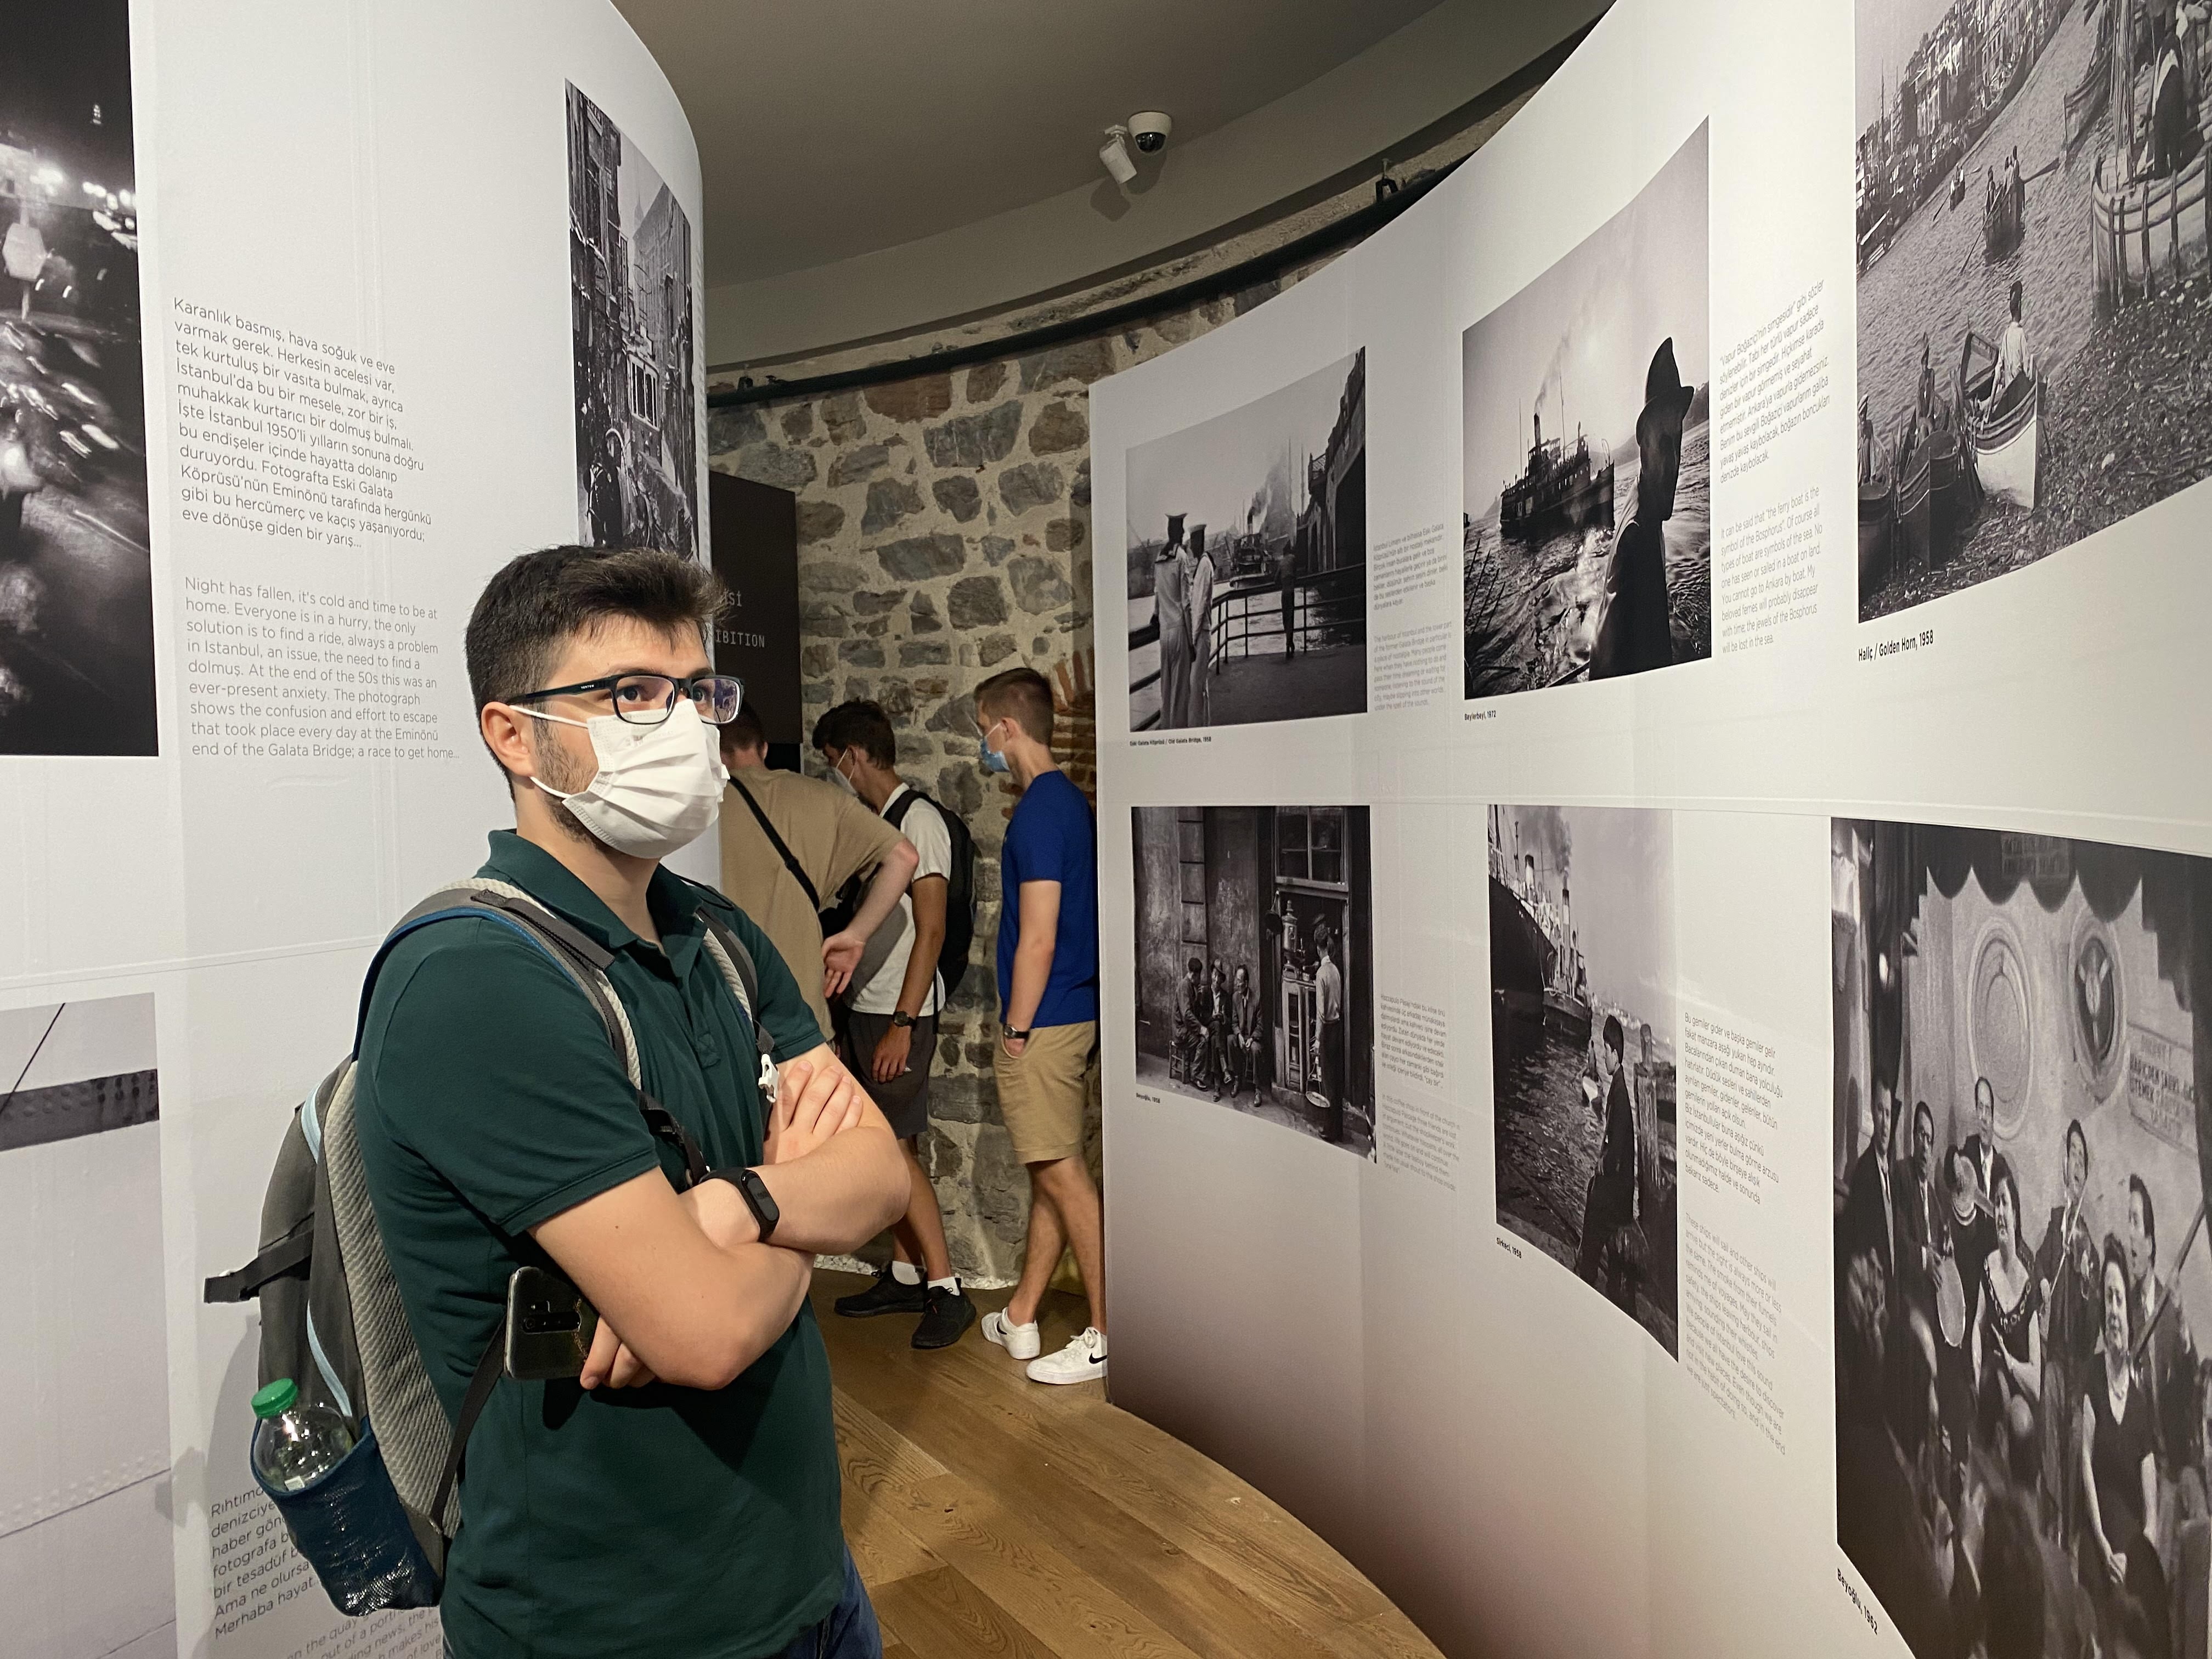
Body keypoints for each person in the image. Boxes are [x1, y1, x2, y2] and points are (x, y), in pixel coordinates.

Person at [354, 545, 909, 1659]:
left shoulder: (714, 931)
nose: (686, 725)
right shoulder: (475, 979)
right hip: (618, 1623)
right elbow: (702, 1334)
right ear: (513, 735)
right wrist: (789, 1200)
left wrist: (730, 1208)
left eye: (698, 692)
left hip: (808, 1575)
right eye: (631, 695)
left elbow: (884, 1177)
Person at [811, 699, 975, 1351]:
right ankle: (907, 1273)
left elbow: (931, 928)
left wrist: (904, 1022)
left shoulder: (920, 821)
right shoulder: (877, 821)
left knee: (900, 1152)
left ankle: (946, 1288)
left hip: (897, 1011)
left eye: (834, 764)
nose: (836, 776)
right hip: (870, 1004)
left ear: (852, 756)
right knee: (885, 1147)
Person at [971, 667, 1107, 1385]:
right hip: (1068, 1013)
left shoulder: (1043, 812)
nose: (982, 747)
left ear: (1007, 727)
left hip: (1046, 1020)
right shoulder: (1061, 805)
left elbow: (1041, 936)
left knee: (1065, 1178)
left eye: (982, 731)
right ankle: (1024, 1313)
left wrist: (1016, 1026)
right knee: (1053, 1171)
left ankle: (1108, 1333)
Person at [718, 702, 919, 1037]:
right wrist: (855, 937)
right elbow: (904, 857)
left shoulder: (699, 810)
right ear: (764, 747)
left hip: (728, 1011)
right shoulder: (826, 798)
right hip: (802, 1014)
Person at [2083, 1234, 2172, 1659]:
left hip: (2131, 1564)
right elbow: (2084, 1461)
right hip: (2098, 1556)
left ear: (2129, 1313)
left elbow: (2153, 1516)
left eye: (2119, 1299)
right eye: (2108, 1298)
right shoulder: (2091, 1378)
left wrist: (2134, 1561)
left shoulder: (2140, 1406)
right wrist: (2104, 1549)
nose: (2113, 1310)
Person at [1589, 337, 1695, 680]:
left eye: (1678, 445)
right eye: (1665, 446)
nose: (1676, 463)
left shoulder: (1640, 511)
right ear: (1644, 445)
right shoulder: (1639, 541)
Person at [1973, 1155, 2043, 1492]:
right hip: (1993, 1381)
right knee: (1988, 1385)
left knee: (2022, 1421)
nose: (2000, 1213)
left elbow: (2038, 1378)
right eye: (1996, 1204)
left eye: (2006, 1205)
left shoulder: (2028, 1284)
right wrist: (1976, 1369)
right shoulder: (1988, 1266)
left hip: (2022, 1391)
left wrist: (2012, 1364)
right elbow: (1976, 1324)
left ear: (2016, 1217)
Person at [2129, 1175, 2199, 1488]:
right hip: (2139, 1462)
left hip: (2173, 1459)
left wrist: (2182, 1315)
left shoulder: (2169, 1308)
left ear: (2150, 1243)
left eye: (2134, 1223)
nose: (2129, 1236)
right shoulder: (2125, 1312)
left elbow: (2191, 1374)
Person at [1577, 1015, 1643, 1317]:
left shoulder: (1619, 1093)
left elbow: (1615, 1153)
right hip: (1621, 1188)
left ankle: (1585, 1272)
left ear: (1615, 1054)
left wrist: (1601, 1166)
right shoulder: (1617, 1088)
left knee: (1594, 1207)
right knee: (1593, 1191)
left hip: (1618, 1198)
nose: (1603, 1055)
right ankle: (1587, 1267)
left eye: (1605, 1049)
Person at [1842, 1080, 1899, 1286]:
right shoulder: (1863, 1173)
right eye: (1880, 1111)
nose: (1885, 1124)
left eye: (1889, 1114)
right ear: (1872, 1113)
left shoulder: (1891, 1174)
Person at [1153, 514, 1191, 730]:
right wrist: (1192, 642)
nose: (1185, 533)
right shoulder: (1181, 557)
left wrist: (1155, 615)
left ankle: (1165, 729)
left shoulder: (1159, 558)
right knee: (1180, 690)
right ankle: (1179, 735)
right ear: (1180, 533)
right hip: (1179, 629)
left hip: (1164, 632)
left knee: (1166, 688)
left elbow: (1157, 594)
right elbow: (1186, 602)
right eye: (1183, 530)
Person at [1314, 922, 1345, 1143]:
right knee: (1337, 1081)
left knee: (1327, 1082)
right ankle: (1338, 1129)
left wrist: (1317, 1039)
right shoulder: (1336, 971)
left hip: (1327, 1031)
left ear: (1318, 947)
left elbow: (1320, 1012)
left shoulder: (1321, 973)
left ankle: (1328, 1130)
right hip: (1339, 1029)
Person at [1988, 284, 2034, 422]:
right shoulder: (2020, 334)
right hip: (2020, 395)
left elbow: (1998, 371)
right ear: (2020, 306)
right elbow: (2028, 370)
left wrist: (1991, 406)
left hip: (2010, 395)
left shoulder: (2006, 335)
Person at [1187, 522, 1216, 727]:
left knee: (1195, 687)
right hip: (1201, 632)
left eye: (1193, 543)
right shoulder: (1202, 565)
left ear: (1199, 541)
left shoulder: (1205, 566)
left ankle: (1197, 729)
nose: (1190, 548)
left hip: (1202, 633)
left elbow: (1200, 603)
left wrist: (1193, 638)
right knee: (1200, 685)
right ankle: (1205, 726)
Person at [1227, 962, 1262, 1103]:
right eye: (1236, 980)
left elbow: (1261, 1026)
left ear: (1246, 983)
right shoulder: (1235, 997)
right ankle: (1237, 1079)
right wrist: (1239, 1035)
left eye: (1240, 981)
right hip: (1241, 1036)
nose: (1237, 984)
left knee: (1256, 1050)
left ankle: (1258, 1089)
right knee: (1230, 1040)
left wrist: (1252, 1039)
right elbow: (1234, 1023)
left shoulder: (1256, 999)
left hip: (1252, 1039)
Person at [586, 427, 626, 547]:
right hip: (605, 512)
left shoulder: (610, 471)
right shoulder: (606, 472)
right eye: (609, 447)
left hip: (605, 512)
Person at [1276, 536, 1298, 657]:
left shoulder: (1281, 562)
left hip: (1284, 592)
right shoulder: (1293, 559)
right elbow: (1295, 573)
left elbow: (1276, 580)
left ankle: (1288, 642)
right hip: (1291, 591)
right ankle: (1290, 642)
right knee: (1291, 616)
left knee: (1285, 617)